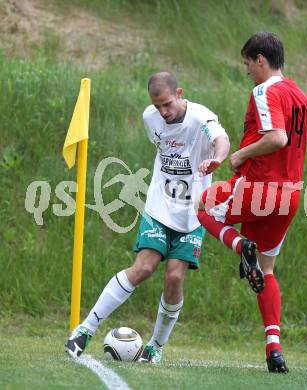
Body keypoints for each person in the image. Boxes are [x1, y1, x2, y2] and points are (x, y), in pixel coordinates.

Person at [66, 71, 230, 363]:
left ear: (179, 93)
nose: (163, 112)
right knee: (143, 268)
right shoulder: (150, 118)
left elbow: (221, 139)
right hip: (159, 206)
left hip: (194, 213)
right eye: (158, 106)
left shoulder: (201, 118)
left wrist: (216, 158)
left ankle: (155, 346)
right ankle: (85, 329)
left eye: (167, 104)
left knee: (175, 277)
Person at [197, 32, 307, 373]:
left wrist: (241, 153)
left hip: (258, 187)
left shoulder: (265, 91)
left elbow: (277, 137)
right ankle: (274, 348)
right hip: (290, 196)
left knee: (201, 206)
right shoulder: (303, 98)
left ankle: (240, 245)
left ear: (261, 60)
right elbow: (305, 133)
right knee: (266, 270)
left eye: (248, 63)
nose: (247, 71)